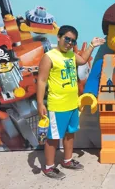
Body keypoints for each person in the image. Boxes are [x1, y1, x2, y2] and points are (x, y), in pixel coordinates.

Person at [37, 25, 105, 179]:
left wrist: (92, 46)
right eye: (67, 38)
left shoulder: (71, 55)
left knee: (70, 133)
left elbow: (83, 60)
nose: (69, 43)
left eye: (73, 41)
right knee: (53, 138)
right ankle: (49, 167)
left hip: (72, 104)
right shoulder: (49, 56)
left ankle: (67, 160)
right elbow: (41, 81)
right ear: (59, 37)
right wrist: (40, 103)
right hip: (57, 105)